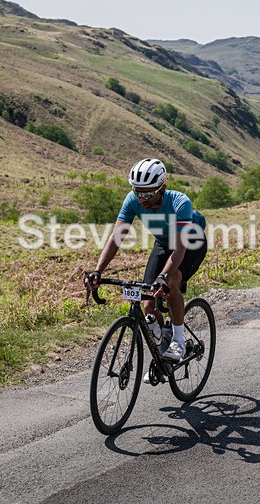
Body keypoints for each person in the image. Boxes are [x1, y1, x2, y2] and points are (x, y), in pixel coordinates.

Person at [84, 158, 207, 369]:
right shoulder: (132, 200)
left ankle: (178, 341)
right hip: (162, 244)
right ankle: (165, 343)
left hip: (189, 245)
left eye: (148, 193)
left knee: (172, 280)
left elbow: (179, 249)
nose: (142, 198)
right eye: (138, 191)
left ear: (162, 188)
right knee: (148, 302)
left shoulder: (180, 202)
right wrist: (97, 270)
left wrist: (163, 277)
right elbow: (116, 238)